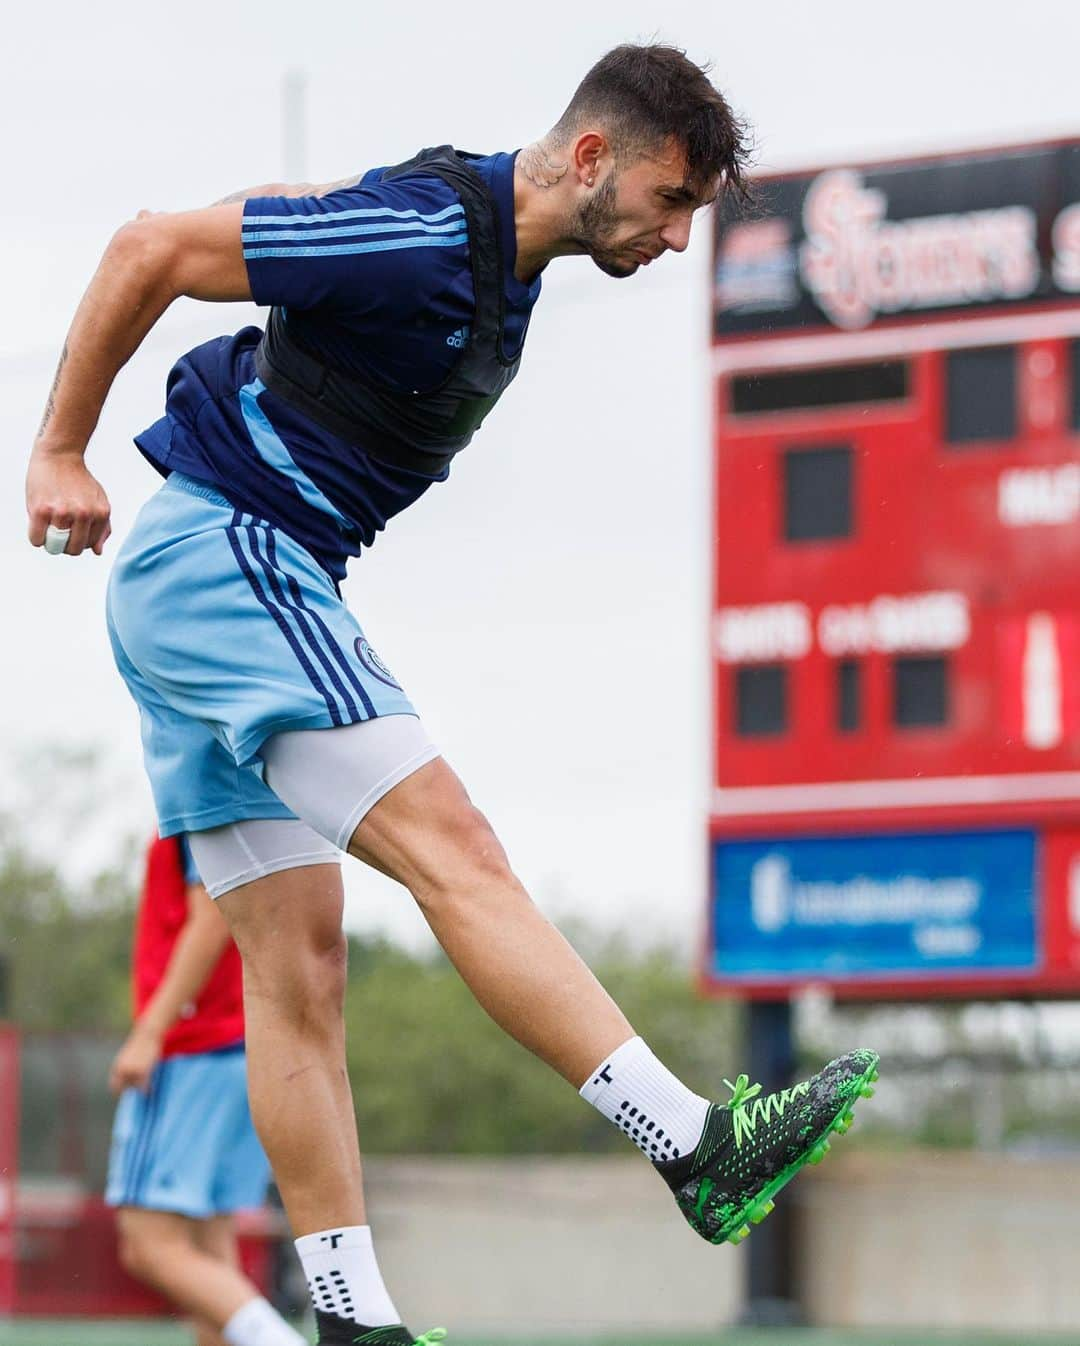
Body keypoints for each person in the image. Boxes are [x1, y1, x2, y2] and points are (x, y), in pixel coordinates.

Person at [26, 43, 879, 1346]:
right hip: (230, 557)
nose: (675, 233)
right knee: (457, 850)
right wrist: (58, 448)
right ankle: (693, 1143)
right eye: (671, 199)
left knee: (297, 967)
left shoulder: (498, 273)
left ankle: (351, 1321)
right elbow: (151, 244)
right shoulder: (429, 231)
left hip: (194, 585)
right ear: (590, 157)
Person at [106, 833, 306, 1346]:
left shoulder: (199, 785)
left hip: (193, 1051)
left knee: (149, 1245)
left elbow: (212, 918)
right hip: (240, 1048)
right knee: (207, 1253)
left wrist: (150, 1032)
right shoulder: (239, 794)